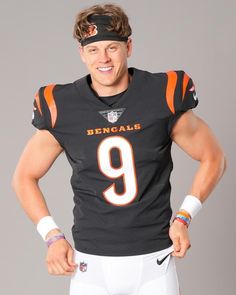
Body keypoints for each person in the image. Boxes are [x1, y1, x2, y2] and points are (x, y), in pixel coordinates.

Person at [12, 3, 226, 295]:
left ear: (129, 46)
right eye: (93, 50)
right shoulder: (61, 106)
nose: (103, 58)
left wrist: (184, 217)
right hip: (91, 264)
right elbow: (24, 177)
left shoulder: (161, 94)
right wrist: (51, 236)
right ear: (82, 54)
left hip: (155, 261)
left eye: (112, 47)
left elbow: (214, 157)